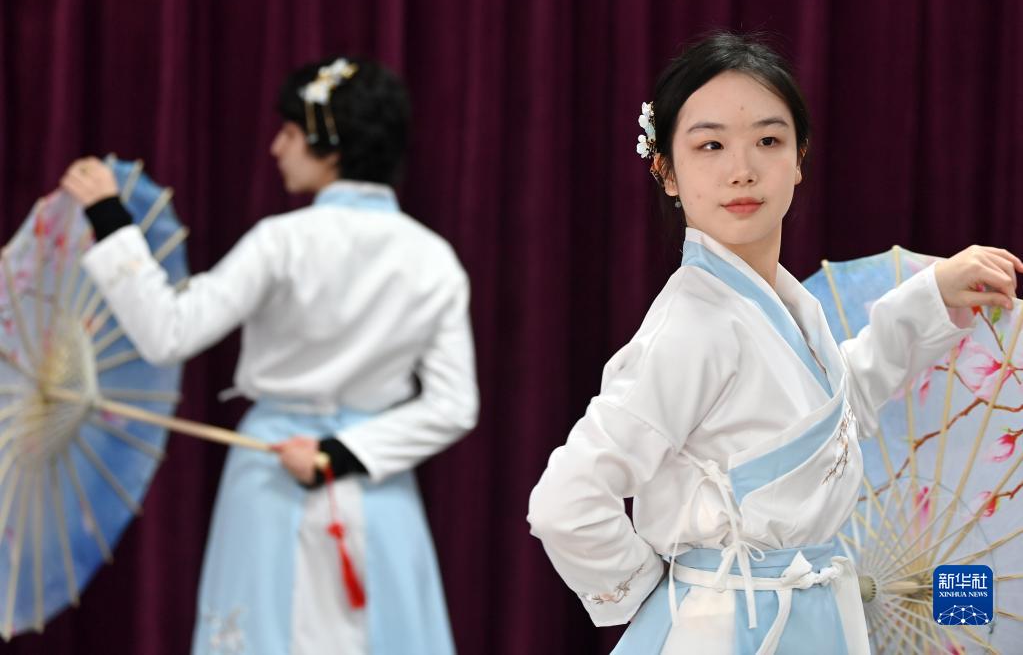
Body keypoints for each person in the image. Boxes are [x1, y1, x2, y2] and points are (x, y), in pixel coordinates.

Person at [526, 32, 1021, 654]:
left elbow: (836, 412)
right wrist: (660, 593)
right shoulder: (692, 325)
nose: (742, 169)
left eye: (768, 140)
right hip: (733, 628)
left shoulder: (781, 304)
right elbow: (566, 500)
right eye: (710, 145)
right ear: (666, 171)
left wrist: (933, 298)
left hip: (810, 617)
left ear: (799, 158)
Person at [61, 56, 478, 655]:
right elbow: (454, 406)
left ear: (329, 145)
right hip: (376, 483)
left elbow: (168, 332)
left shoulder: (281, 242)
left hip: (270, 471)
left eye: (288, 132)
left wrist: (108, 216)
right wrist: (344, 453)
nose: (276, 148)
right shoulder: (432, 258)